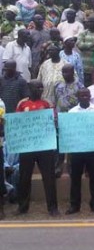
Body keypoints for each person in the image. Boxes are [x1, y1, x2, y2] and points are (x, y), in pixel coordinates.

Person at [15, 80, 59, 216]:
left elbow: (54, 121)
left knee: (49, 177)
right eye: (37, 87)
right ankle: (22, 207)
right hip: (27, 146)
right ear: (29, 88)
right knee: (24, 177)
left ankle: (53, 208)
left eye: (41, 87)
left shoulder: (47, 104)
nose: (40, 89)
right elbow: (16, 123)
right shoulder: (22, 104)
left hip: (44, 146)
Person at [65, 88, 94, 215]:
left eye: (86, 95)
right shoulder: (71, 112)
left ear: (90, 96)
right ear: (78, 97)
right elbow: (68, 132)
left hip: (93, 150)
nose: (84, 97)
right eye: (82, 95)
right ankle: (74, 205)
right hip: (77, 150)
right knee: (75, 178)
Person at [54, 64, 84, 177]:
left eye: (67, 72)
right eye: (63, 72)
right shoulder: (57, 85)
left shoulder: (79, 86)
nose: (65, 74)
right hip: (60, 118)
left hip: (73, 119)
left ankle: (71, 167)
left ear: (73, 72)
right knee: (59, 144)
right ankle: (58, 166)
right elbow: (54, 100)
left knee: (72, 143)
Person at [76, 15, 94, 86]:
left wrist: (86, 47)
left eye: (92, 22)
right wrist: (93, 44)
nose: (89, 24)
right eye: (88, 22)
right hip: (84, 66)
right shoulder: (83, 33)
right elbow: (79, 45)